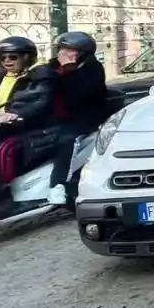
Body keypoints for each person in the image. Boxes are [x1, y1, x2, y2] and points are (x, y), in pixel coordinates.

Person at [0, 36, 54, 181]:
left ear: (27, 58)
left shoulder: (40, 76)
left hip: (28, 127)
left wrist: (15, 114)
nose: (6, 61)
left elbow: (39, 101)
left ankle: (3, 189)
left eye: (13, 57)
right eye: (2, 57)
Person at [42, 31, 111, 206]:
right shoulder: (55, 66)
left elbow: (78, 96)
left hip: (84, 117)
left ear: (81, 53)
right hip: (58, 116)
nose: (62, 54)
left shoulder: (92, 69)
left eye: (68, 50)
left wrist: (67, 72)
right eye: (60, 49)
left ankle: (58, 184)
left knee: (67, 140)